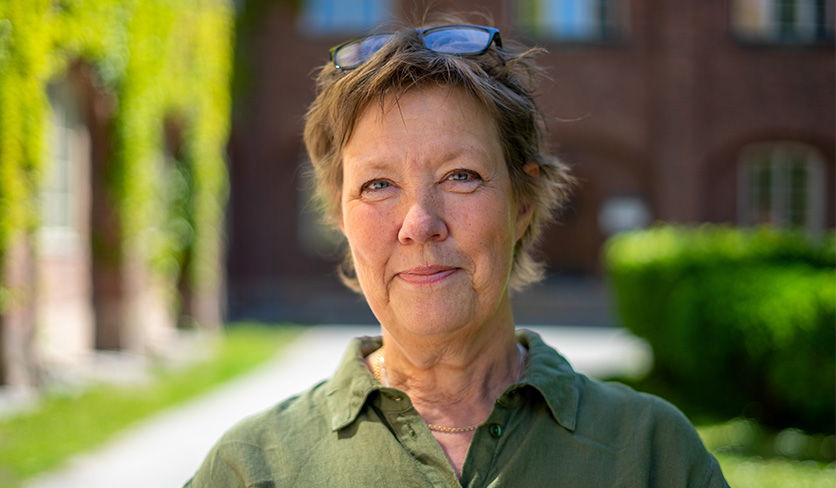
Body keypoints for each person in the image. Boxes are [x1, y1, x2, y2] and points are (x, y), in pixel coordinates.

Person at [185, 14, 728, 487]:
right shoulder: (252, 469)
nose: (420, 224)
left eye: (461, 176)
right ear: (340, 215)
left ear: (522, 204)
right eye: (377, 185)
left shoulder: (655, 455)